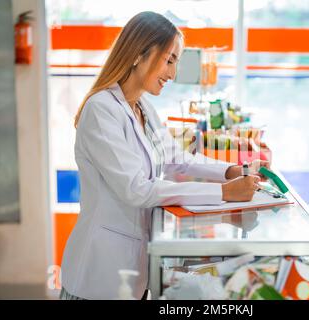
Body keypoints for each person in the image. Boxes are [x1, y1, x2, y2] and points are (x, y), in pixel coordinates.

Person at [60, 11, 269, 300]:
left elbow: (176, 158)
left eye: (176, 63)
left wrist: (230, 171)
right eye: (169, 60)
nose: (172, 74)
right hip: (98, 274)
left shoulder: (141, 107)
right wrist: (224, 193)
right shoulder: (101, 110)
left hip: (133, 272)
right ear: (138, 53)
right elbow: (137, 190)